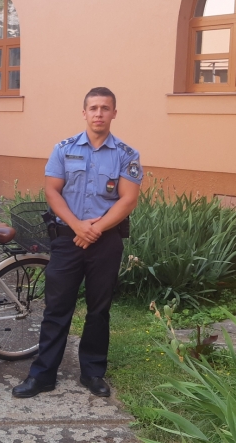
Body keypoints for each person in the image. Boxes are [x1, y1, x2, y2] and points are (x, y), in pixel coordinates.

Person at [12, 87, 141, 399]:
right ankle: (43, 375)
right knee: (56, 308)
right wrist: (77, 226)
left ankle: (93, 372)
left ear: (114, 113)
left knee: (99, 309)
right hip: (67, 239)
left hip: (105, 241)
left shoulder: (127, 154)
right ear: (84, 113)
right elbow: (52, 191)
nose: (99, 113)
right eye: (93, 108)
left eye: (105, 108)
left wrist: (95, 229)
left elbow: (128, 199)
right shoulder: (64, 149)